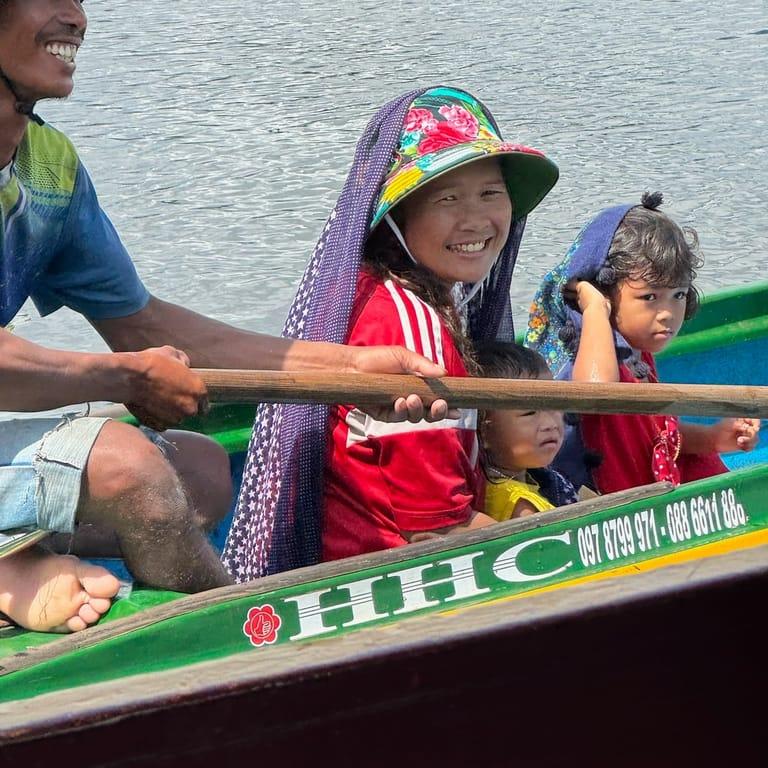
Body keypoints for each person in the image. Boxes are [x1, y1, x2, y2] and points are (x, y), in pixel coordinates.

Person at [0, 0, 452, 633]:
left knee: (203, 473)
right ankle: (247, 639)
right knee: (127, 468)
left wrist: (352, 368)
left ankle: (25, 556)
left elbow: (148, 331)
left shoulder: (48, 167)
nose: (75, 17)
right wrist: (127, 378)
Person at [222, 85, 560, 574]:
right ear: (396, 219)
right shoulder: (410, 326)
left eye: (491, 193)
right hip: (388, 574)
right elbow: (439, 531)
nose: (476, 221)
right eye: (447, 198)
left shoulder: (375, 290)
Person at [525, 192, 760, 495]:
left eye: (678, 295)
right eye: (649, 297)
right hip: (603, 503)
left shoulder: (637, 353)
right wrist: (594, 308)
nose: (667, 314)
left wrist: (714, 437)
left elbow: (656, 434)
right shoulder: (588, 357)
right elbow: (595, 395)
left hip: (644, 481)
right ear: (604, 291)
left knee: (703, 463)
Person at [475, 341, 576, 521]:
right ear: (484, 433)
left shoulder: (536, 481)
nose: (550, 423)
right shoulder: (520, 507)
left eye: (554, 405)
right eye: (529, 412)